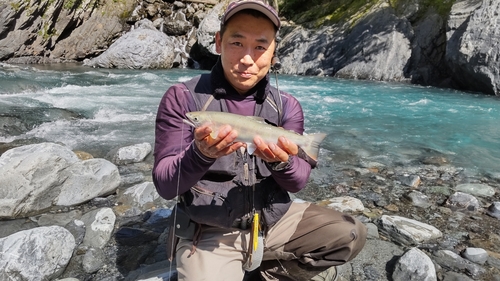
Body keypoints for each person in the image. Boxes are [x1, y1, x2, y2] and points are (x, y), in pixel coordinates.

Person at [152, 0, 367, 280]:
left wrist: (282, 162)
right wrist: (200, 154)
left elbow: (299, 181)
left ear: (274, 52)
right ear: (218, 42)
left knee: (350, 234)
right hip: (210, 230)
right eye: (237, 43)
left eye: (260, 46)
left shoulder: (286, 106)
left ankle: (266, 273)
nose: (247, 58)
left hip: (273, 220)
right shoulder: (183, 98)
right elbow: (166, 185)